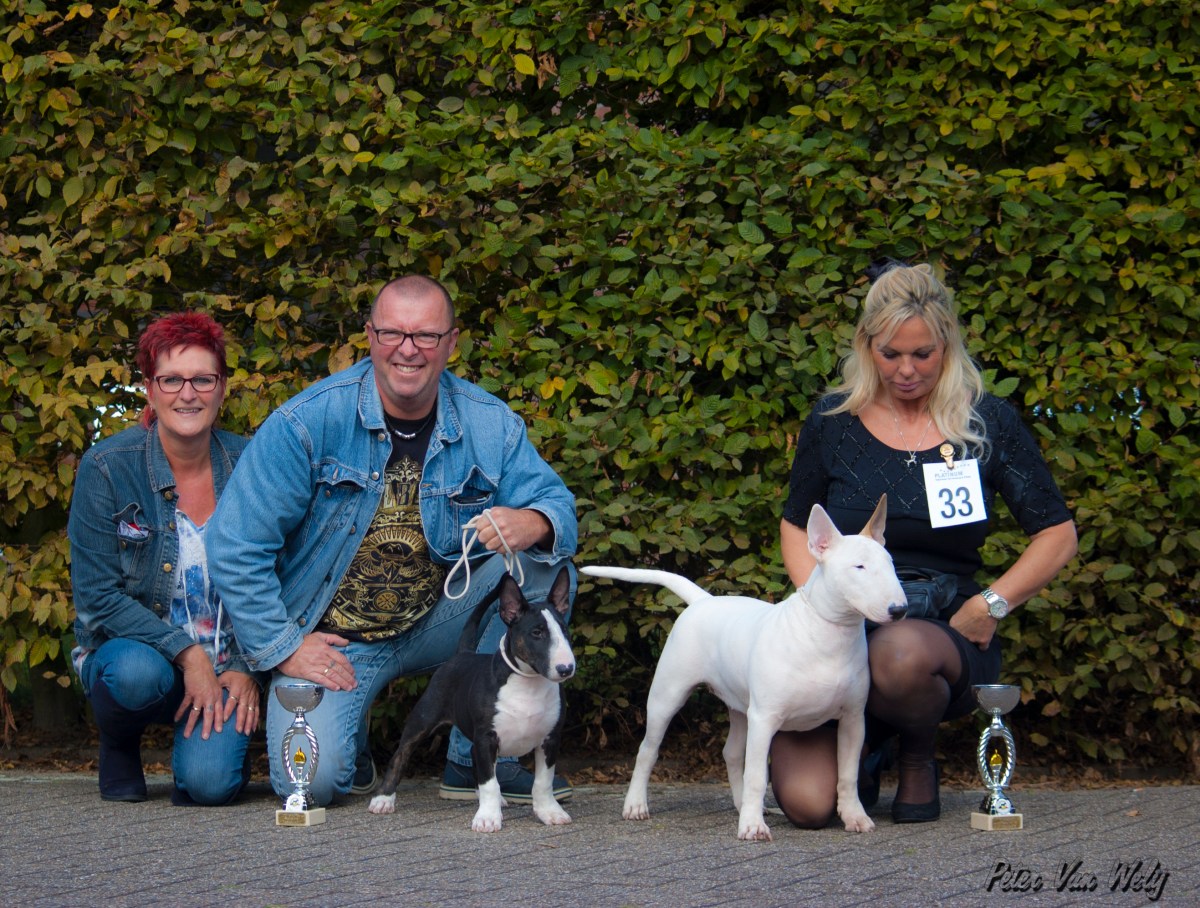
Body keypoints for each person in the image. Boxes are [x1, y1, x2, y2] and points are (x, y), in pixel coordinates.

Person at [206, 275, 578, 807]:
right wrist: (284, 646)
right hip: (335, 643)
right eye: (392, 333)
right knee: (311, 784)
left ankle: (475, 756)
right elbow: (234, 544)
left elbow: (556, 505)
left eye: (426, 335)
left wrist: (534, 521)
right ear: (369, 336)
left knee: (542, 570)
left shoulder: (490, 424)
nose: (408, 349)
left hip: (438, 618)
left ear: (451, 343)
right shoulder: (306, 422)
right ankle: (350, 739)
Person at [771, 262, 1077, 826]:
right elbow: (795, 524)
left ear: (948, 344)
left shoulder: (987, 422)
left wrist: (992, 603)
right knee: (809, 806)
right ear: (866, 345)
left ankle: (916, 751)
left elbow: (1057, 533)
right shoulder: (833, 422)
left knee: (901, 653)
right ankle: (867, 746)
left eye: (923, 354)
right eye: (890, 354)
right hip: (842, 632)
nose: (906, 370)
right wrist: (820, 605)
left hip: (944, 628)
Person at [68, 312, 260, 805]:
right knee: (134, 676)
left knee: (210, 787)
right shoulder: (107, 467)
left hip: (225, 661)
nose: (187, 394)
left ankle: (216, 751)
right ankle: (119, 740)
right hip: (141, 655)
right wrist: (186, 652)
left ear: (222, 389)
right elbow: (96, 597)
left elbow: (284, 576)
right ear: (150, 390)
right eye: (171, 380)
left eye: (203, 379)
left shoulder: (253, 463)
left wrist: (245, 665)